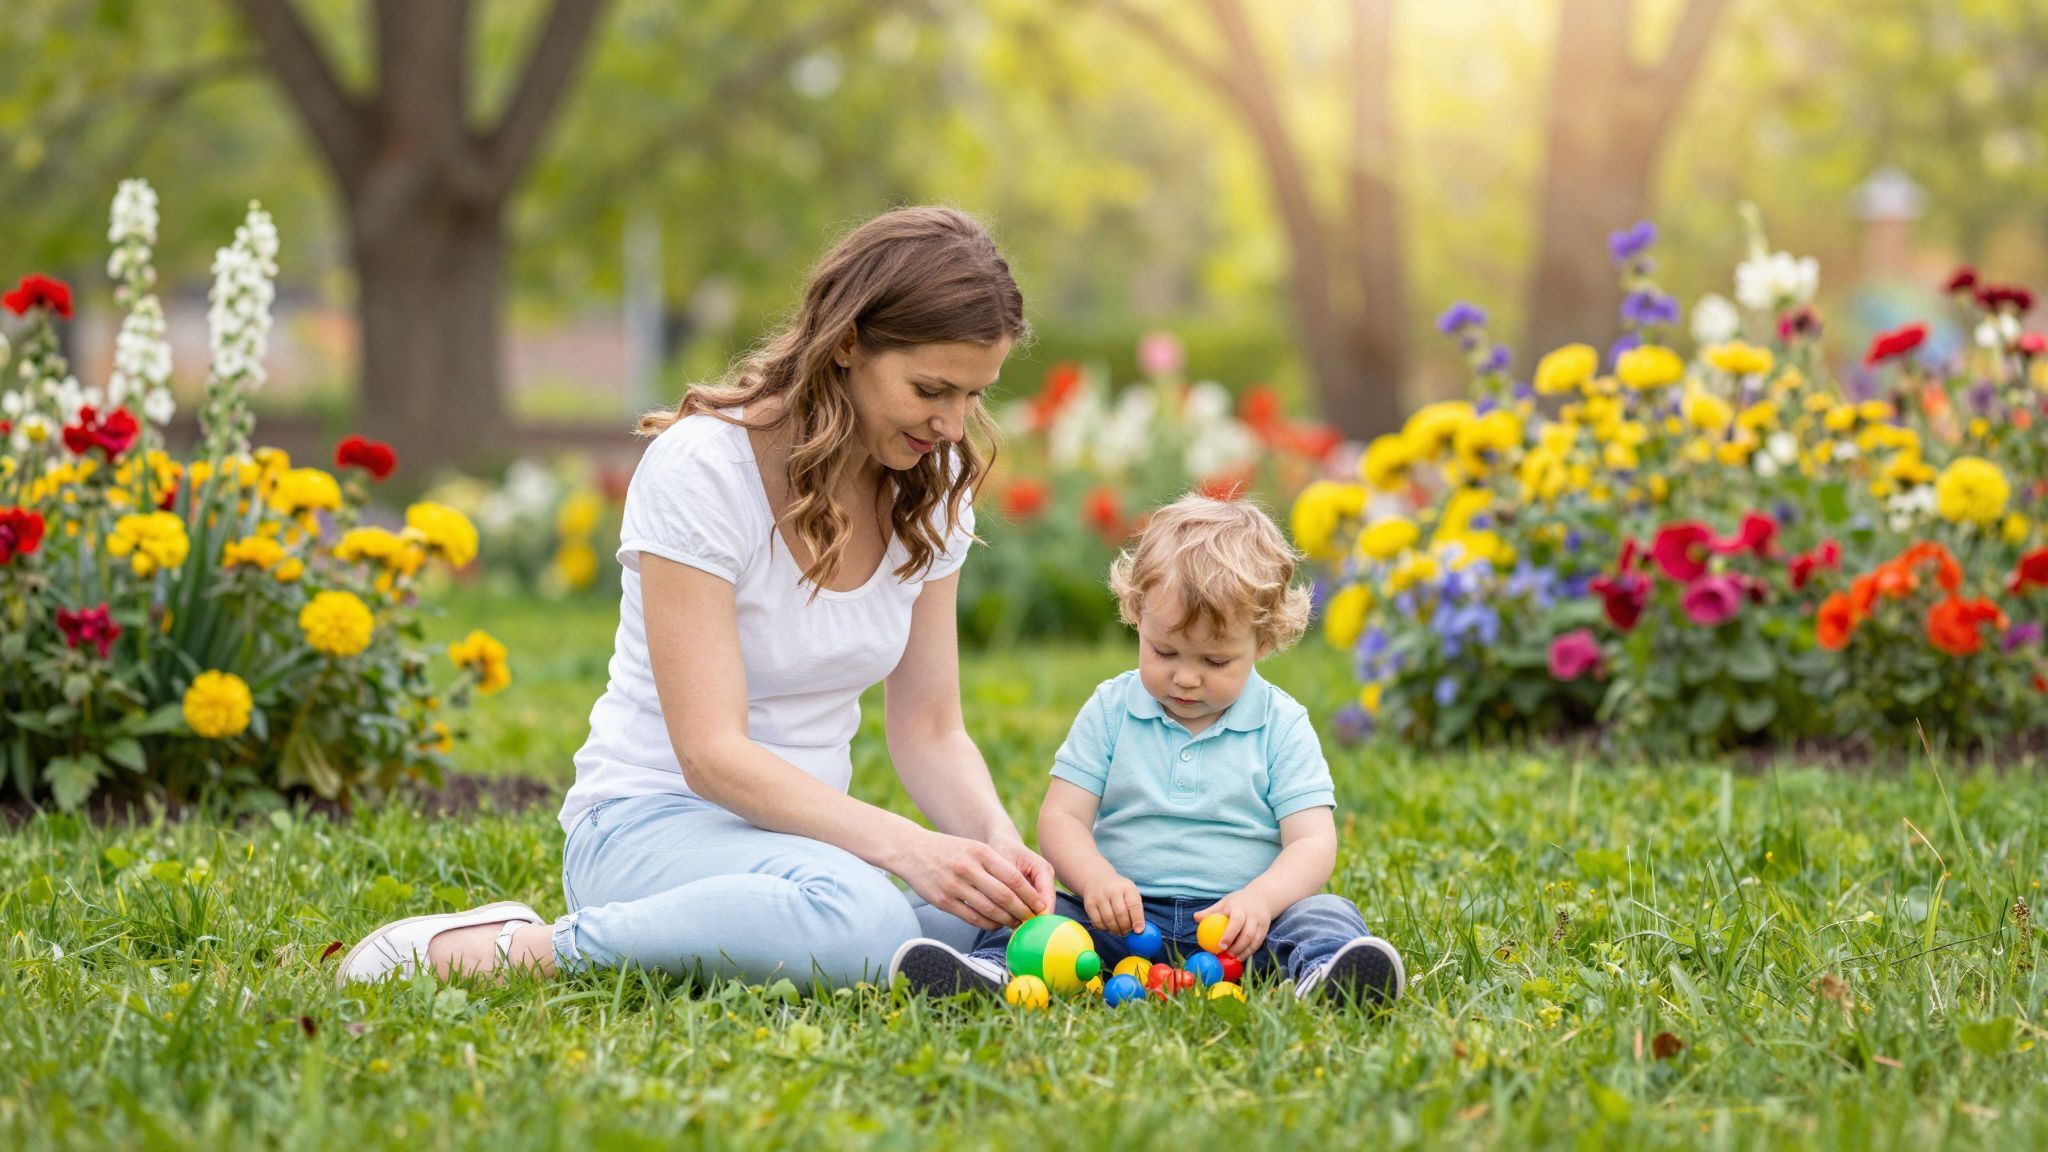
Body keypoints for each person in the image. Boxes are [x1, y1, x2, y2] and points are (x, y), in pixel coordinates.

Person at [338, 206, 1054, 990]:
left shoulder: (936, 486)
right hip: (648, 828)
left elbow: (929, 729)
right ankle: (505, 950)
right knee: (867, 916)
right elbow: (711, 754)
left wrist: (995, 846)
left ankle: (871, 933)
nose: (952, 426)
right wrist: (906, 848)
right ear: (848, 342)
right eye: (930, 389)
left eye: (973, 396)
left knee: (1001, 915)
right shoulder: (705, 468)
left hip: (807, 851)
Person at [889, 495, 1405, 1005]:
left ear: (1263, 643)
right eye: (1164, 651)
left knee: (1324, 913)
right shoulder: (1112, 709)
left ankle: (1327, 974)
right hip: (1122, 922)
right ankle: (992, 973)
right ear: (1137, 613)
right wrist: (1097, 881)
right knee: (1041, 919)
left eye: (1215, 661)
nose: (1185, 676)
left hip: (1242, 930)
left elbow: (1313, 843)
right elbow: (1062, 818)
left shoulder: (1282, 724)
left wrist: (1261, 901)